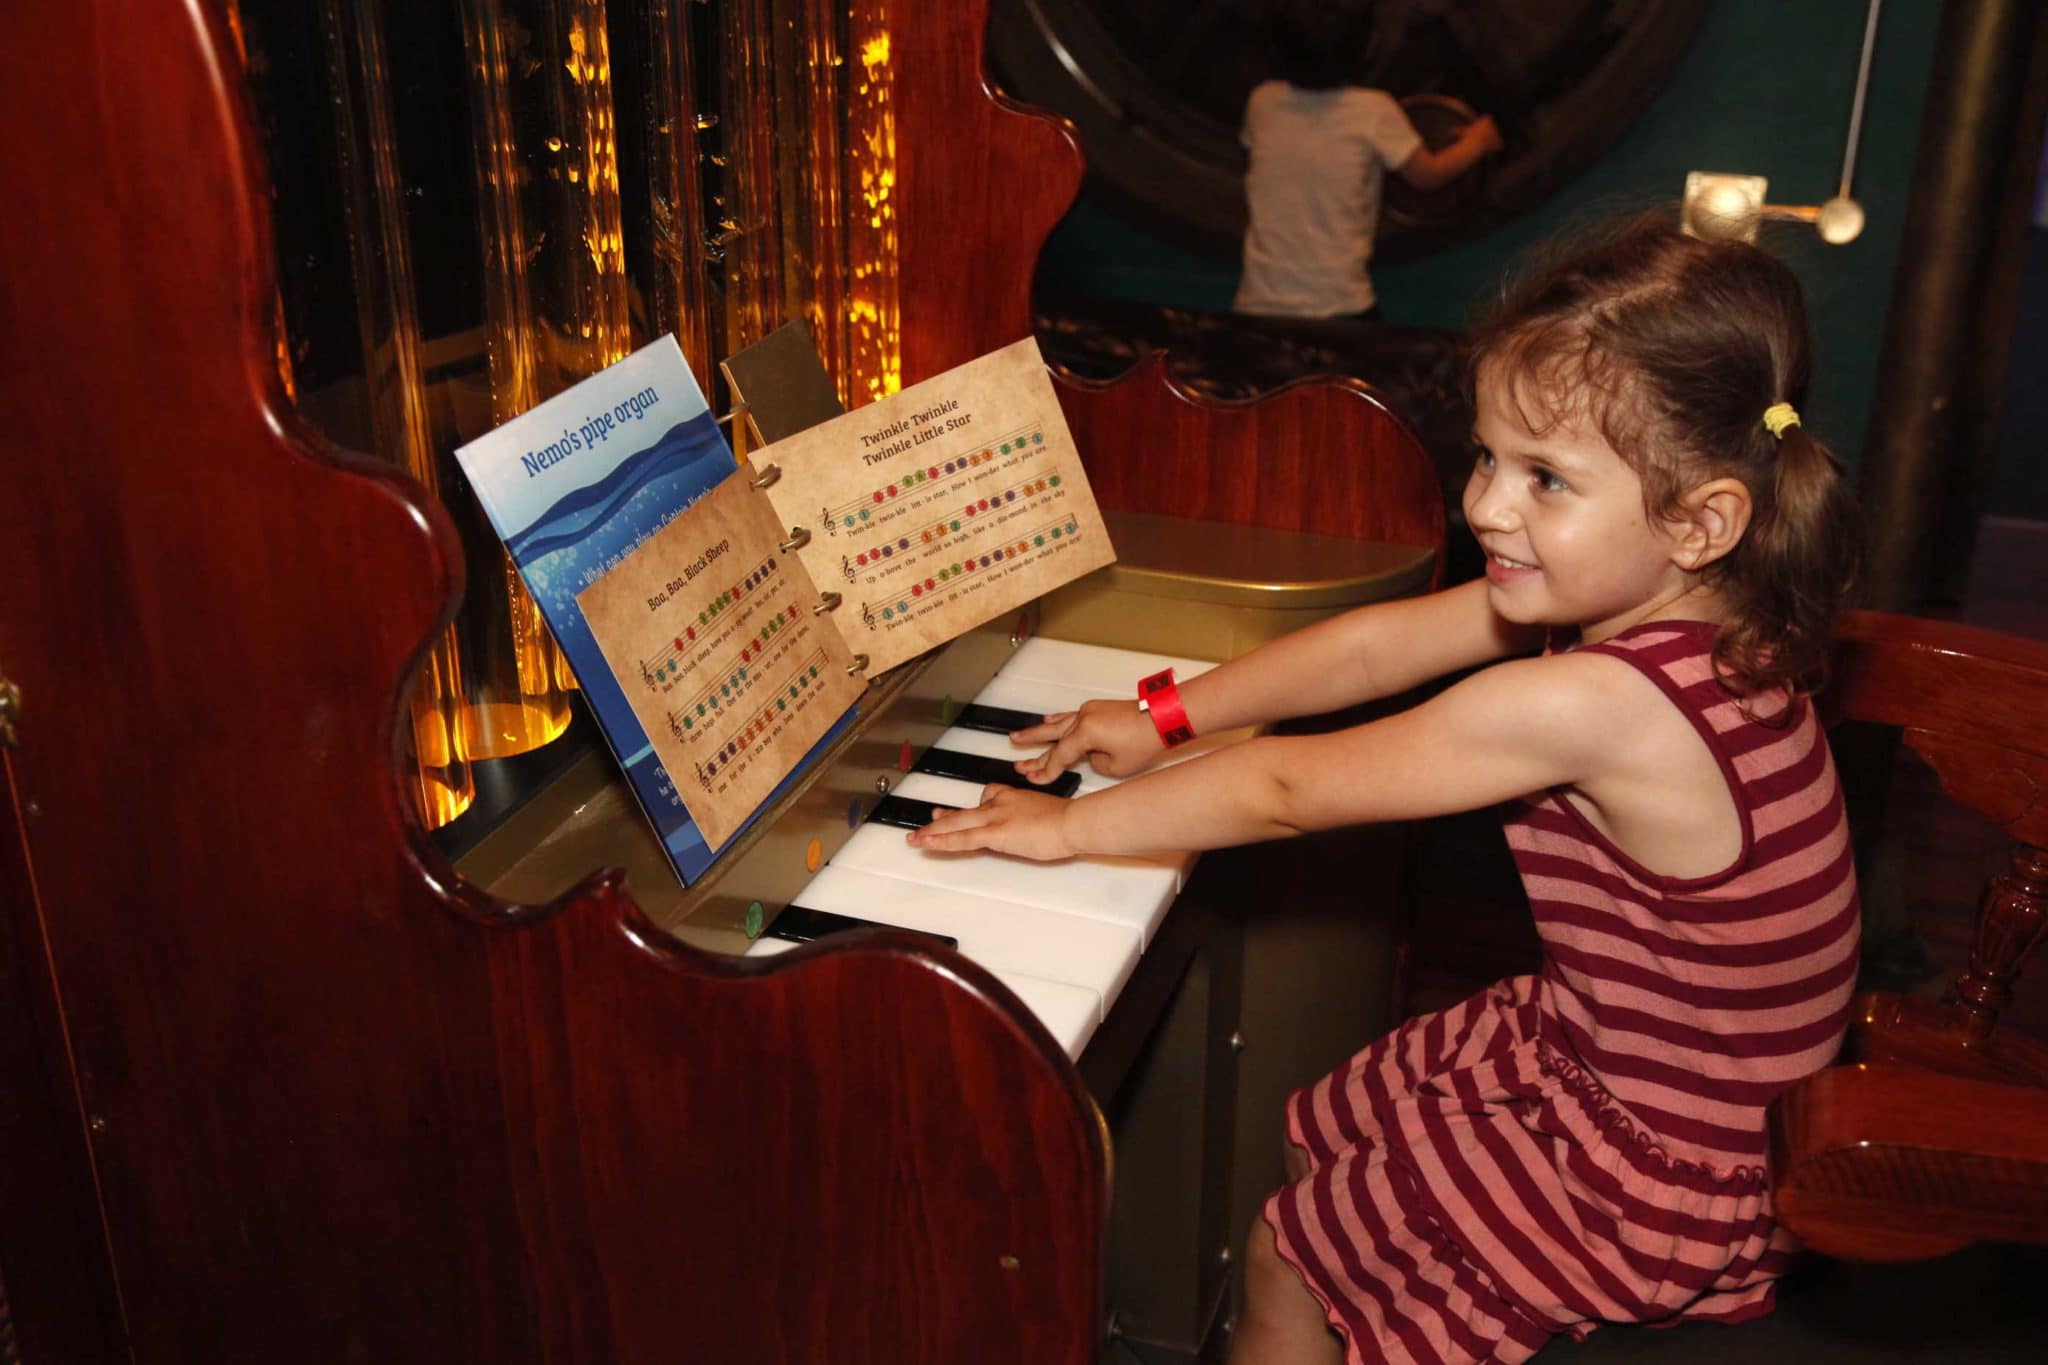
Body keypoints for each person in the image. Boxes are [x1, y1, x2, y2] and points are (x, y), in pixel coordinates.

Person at [911, 215, 1864, 1364]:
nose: (1485, 507)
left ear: (1700, 521)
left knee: (1284, 1247)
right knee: (1327, 1133)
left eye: (1544, 478)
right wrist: (1160, 716)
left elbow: (1283, 787)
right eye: (1487, 456)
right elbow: (1369, 648)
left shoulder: (1598, 702)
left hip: (1656, 1162)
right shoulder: (1690, 611)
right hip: (1616, 1054)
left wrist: (1068, 829)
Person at [1234, 4, 1503, 321]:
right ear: (1367, 48)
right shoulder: (1373, 110)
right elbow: (1428, 175)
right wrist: (1477, 143)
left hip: (1255, 305)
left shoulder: (1262, 102)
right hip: (1339, 305)